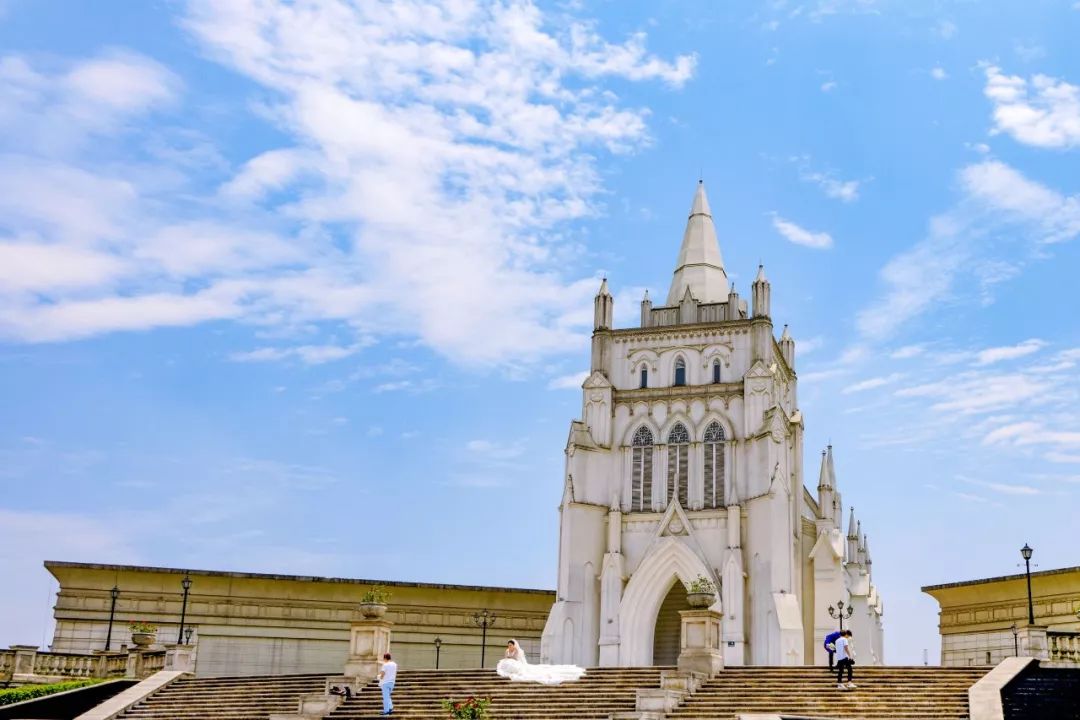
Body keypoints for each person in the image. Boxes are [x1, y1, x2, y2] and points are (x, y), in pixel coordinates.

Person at [495, 639, 586, 685]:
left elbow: (519, 659)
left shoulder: (518, 651)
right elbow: (505, 657)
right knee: (504, 663)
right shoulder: (507, 650)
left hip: (517, 663)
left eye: (511, 645)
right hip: (510, 662)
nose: (509, 646)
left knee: (515, 666)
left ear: (514, 645)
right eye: (509, 645)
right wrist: (508, 658)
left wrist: (513, 660)